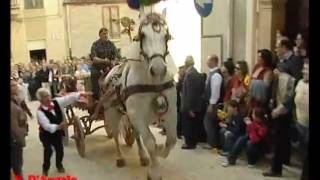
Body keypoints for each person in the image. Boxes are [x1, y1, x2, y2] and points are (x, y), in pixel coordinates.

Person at [36, 88, 91, 175]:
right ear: (40, 99)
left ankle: (59, 165)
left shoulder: (56, 102)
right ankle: (45, 168)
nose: (48, 98)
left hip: (57, 133)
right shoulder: (40, 112)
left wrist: (81, 94)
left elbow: (68, 98)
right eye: (45, 96)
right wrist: (59, 126)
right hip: (46, 135)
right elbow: (46, 126)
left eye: (48, 95)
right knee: (48, 151)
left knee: (60, 150)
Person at [180, 56, 204, 149]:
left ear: (186, 63)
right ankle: (192, 142)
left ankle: (189, 143)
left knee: (188, 125)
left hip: (189, 105)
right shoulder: (197, 73)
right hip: (196, 104)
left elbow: (189, 92)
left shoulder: (189, 74)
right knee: (193, 125)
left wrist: (189, 108)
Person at [90, 27, 120, 100]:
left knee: (118, 75)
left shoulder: (111, 44)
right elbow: (94, 58)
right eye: (103, 34)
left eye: (106, 34)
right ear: (100, 35)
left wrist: (114, 61)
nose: (106, 35)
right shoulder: (95, 44)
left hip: (109, 66)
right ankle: (96, 96)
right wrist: (104, 61)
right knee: (94, 75)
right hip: (97, 67)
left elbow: (117, 56)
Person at [203, 55, 224, 150]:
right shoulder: (211, 73)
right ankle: (211, 142)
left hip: (213, 104)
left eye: (208, 60)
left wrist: (212, 104)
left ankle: (213, 144)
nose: (207, 62)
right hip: (210, 102)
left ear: (214, 61)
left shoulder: (216, 75)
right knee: (208, 123)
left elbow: (215, 91)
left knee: (210, 123)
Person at [11, 78, 29, 178]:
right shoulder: (12, 106)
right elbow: (14, 127)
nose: (16, 87)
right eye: (13, 86)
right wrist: (21, 140)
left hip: (15, 138)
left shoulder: (16, 100)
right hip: (14, 141)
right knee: (17, 167)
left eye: (16, 85)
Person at [176, 65, 185, 139]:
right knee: (179, 117)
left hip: (181, 101)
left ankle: (180, 132)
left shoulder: (183, 80)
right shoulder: (180, 80)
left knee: (180, 118)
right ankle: (178, 132)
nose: (179, 72)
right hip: (178, 101)